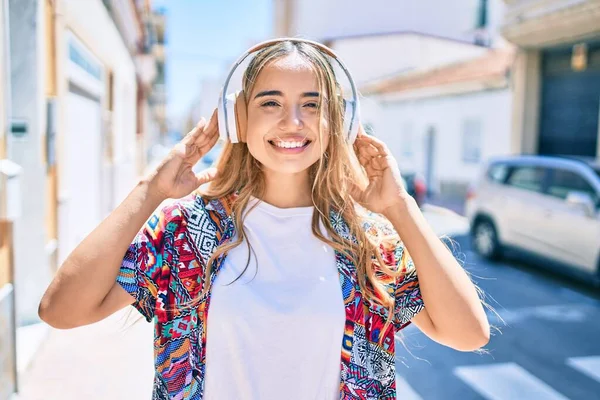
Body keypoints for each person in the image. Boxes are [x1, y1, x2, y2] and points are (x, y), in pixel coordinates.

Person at [39, 38, 490, 400]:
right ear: (239, 121)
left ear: (338, 121)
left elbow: (468, 334)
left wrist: (400, 208)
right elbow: (61, 310)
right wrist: (149, 191)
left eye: (312, 105)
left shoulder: (368, 241)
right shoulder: (187, 233)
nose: (293, 121)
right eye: (271, 103)